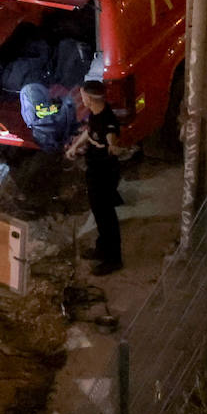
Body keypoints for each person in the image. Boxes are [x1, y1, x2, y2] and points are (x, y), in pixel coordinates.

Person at [66, 79, 125, 275]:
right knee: (99, 212)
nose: (81, 99)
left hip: (104, 174)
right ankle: (102, 248)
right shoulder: (96, 113)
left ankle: (113, 258)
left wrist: (113, 147)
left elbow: (111, 139)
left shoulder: (108, 122)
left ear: (89, 99)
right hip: (94, 171)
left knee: (106, 215)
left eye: (83, 96)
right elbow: (90, 132)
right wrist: (75, 147)